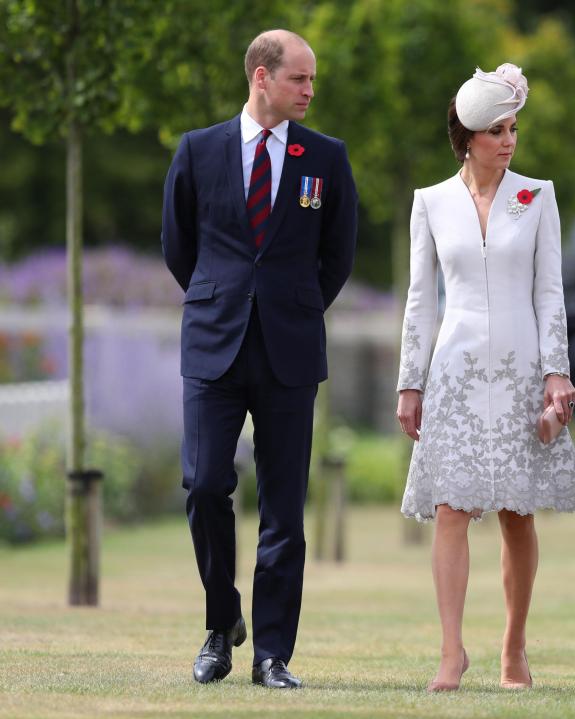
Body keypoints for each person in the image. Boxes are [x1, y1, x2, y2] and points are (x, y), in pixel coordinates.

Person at [161, 29, 358, 689]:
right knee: (205, 484)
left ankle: (271, 652)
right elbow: (177, 247)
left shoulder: (325, 157)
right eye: (299, 78)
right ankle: (223, 621)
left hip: (290, 351)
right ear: (261, 78)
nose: (309, 90)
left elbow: (339, 254)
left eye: (311, 80)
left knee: (283, 507)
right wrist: (224, 299)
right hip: (213, 346)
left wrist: (295, 305)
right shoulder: (197, 150)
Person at [396, 63, 575, 692]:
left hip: (521, 368)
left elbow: (550, 292)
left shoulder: (538, 196)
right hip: (453, 370)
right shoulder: (430, 202)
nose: (508, 140)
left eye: (513, 128)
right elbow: (421, 300)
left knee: (516, 513)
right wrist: (410, 381)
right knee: (452, 508)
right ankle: (451, 652)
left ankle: (514, 648)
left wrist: (556, 372)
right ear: (468, 136)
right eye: (496, 130)